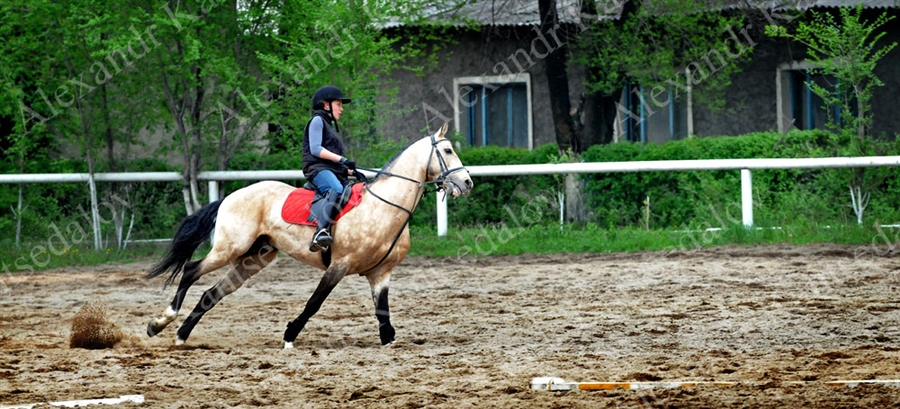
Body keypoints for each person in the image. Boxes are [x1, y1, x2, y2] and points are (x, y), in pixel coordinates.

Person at [301, 85, 365, 252]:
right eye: (339, 104)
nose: (341, 109)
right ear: (326, 105)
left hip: (330, 170)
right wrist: (343, 159)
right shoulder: (317, 121)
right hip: (316, 169)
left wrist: (351, 171)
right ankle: (319, 233)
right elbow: (316, 149)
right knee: (336, 189)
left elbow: (334, 163)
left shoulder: (331, 127)